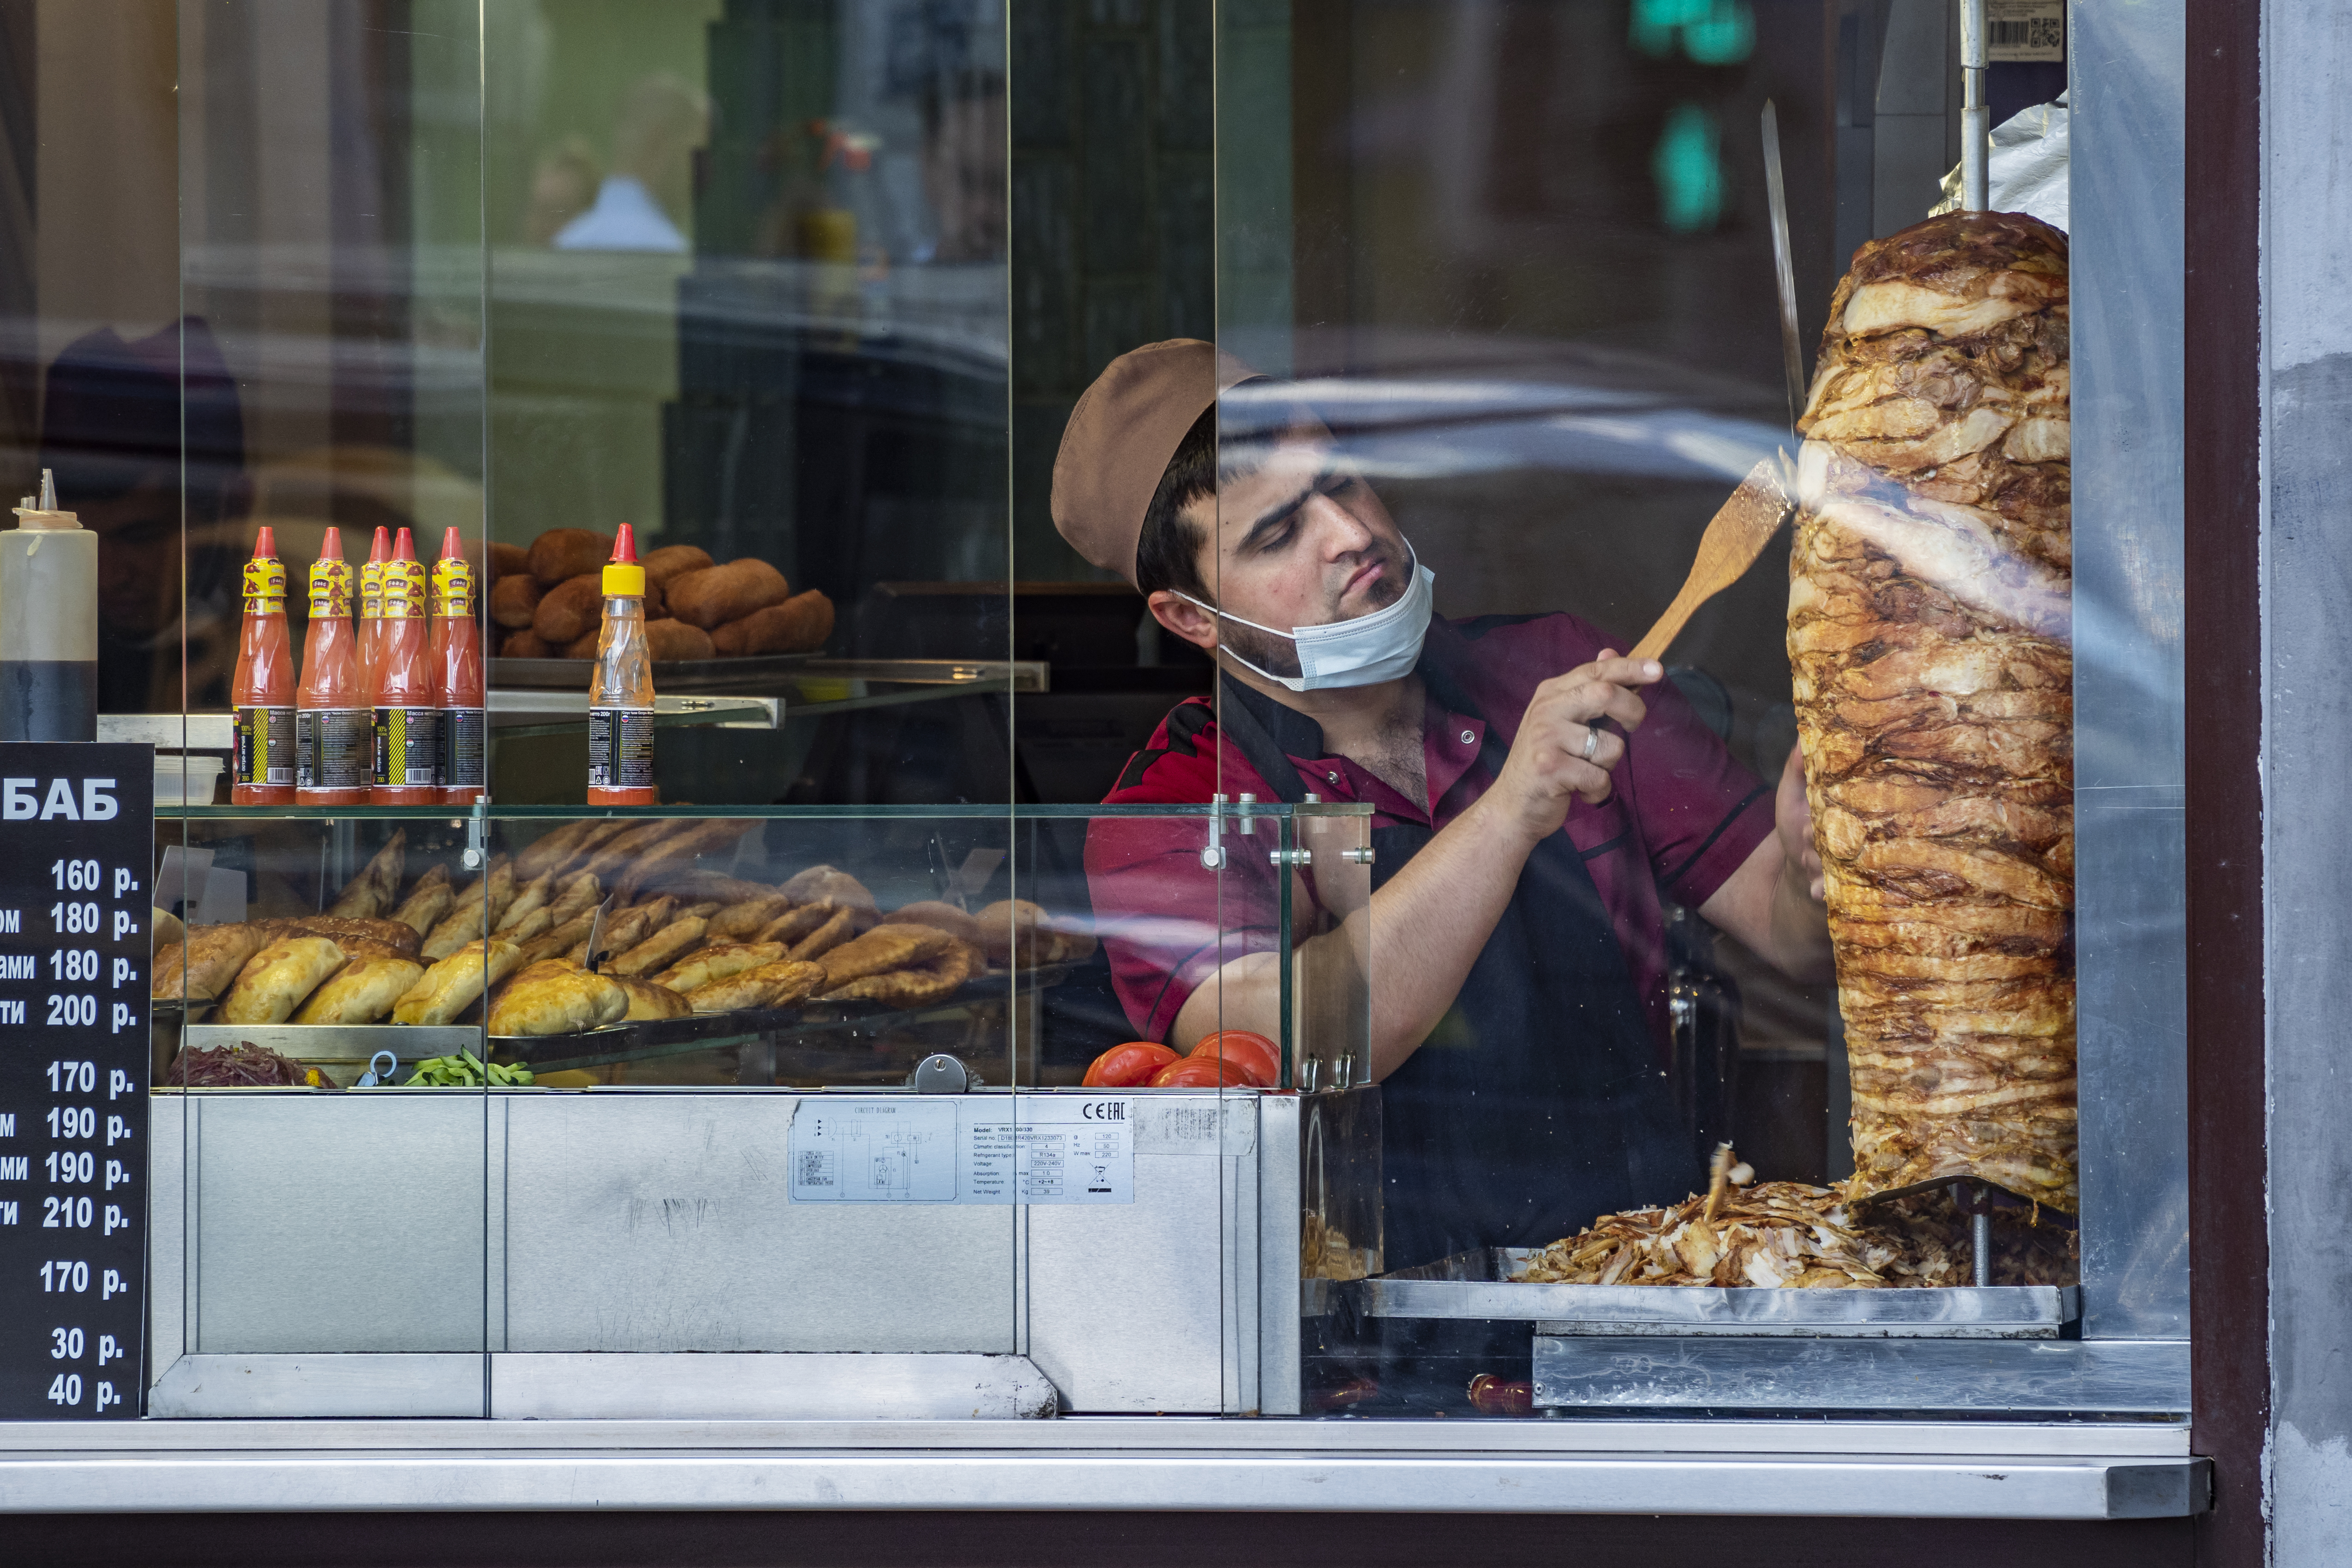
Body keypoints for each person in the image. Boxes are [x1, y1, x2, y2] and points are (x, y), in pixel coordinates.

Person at [1060, 339, 1833, 1267]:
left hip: (1638, 1273)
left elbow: (1790, 934)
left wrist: (1806, 864)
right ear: (1191, 617)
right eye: (1277, 535)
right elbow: (1283, 1037)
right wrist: (1511, 810)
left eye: (1341, 483)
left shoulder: (1557, 670)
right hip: (1373, 1332)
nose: (1349, 533)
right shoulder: (1173, 811)